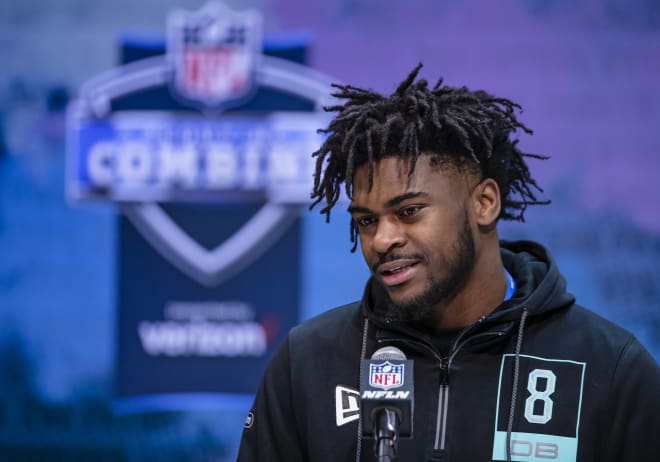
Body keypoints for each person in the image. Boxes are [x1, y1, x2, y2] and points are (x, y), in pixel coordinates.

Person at [237, 64, 660, 461]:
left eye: (409, 211)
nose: (382, 239)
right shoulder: (308, 361)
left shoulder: (610, 366)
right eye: (366, 221)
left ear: (484, 203)